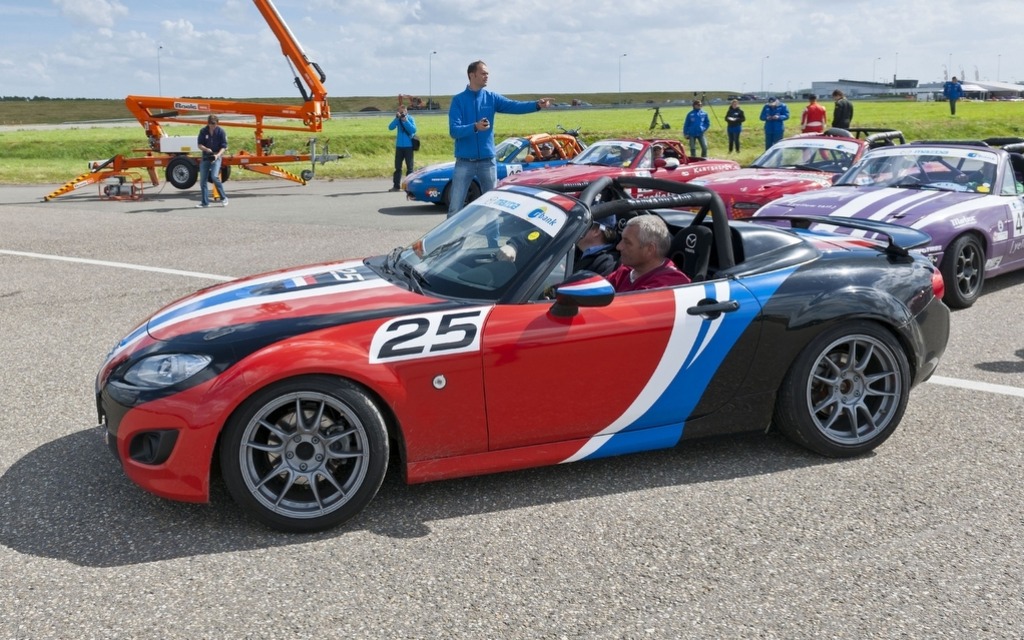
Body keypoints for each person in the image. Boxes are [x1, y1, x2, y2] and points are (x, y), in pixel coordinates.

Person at [447, 60, 553, 216]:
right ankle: (449, 241)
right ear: (472, 75)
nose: (487, 76)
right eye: (483, 73)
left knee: (493, 209)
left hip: (487, 162)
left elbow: (514, 106)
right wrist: (474, 127)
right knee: (455, 208)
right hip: (464, 163)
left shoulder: (492, 98)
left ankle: (493, 241)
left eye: (487, 73)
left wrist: (536, 105)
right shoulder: (458, 100)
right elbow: (454, 131)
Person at [606, 216, 690, 292]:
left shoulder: (668, 285)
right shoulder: (626, 270)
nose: (619, 247)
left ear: (650, 249)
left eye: (627, 242)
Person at [196, 114, 228, 208]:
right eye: (211, 125)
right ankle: (205, 202)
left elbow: (224, 146)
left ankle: (224, 197)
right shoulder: (203, 131)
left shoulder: (221, 132)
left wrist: (217, 155)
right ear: (208, 123)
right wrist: (206, 149)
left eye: (214, 125)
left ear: (217, 124)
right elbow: (199, 144)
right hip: (206, 156)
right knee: (203, 180)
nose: (213, 126)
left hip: (216, 156)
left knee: (214, 177)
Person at [388, 105, 417, 192]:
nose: (402, 114)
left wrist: (405, 121)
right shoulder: (398, 119)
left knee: (410, 168)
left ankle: (409, 186)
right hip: (399, 146)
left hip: (409, 146)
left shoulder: (410, 118)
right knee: (397, 167)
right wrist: (396, 118)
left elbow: (413, 130)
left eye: (403, 112)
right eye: (400, 112)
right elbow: (390, 127)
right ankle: (396, 186)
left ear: (406, 111)